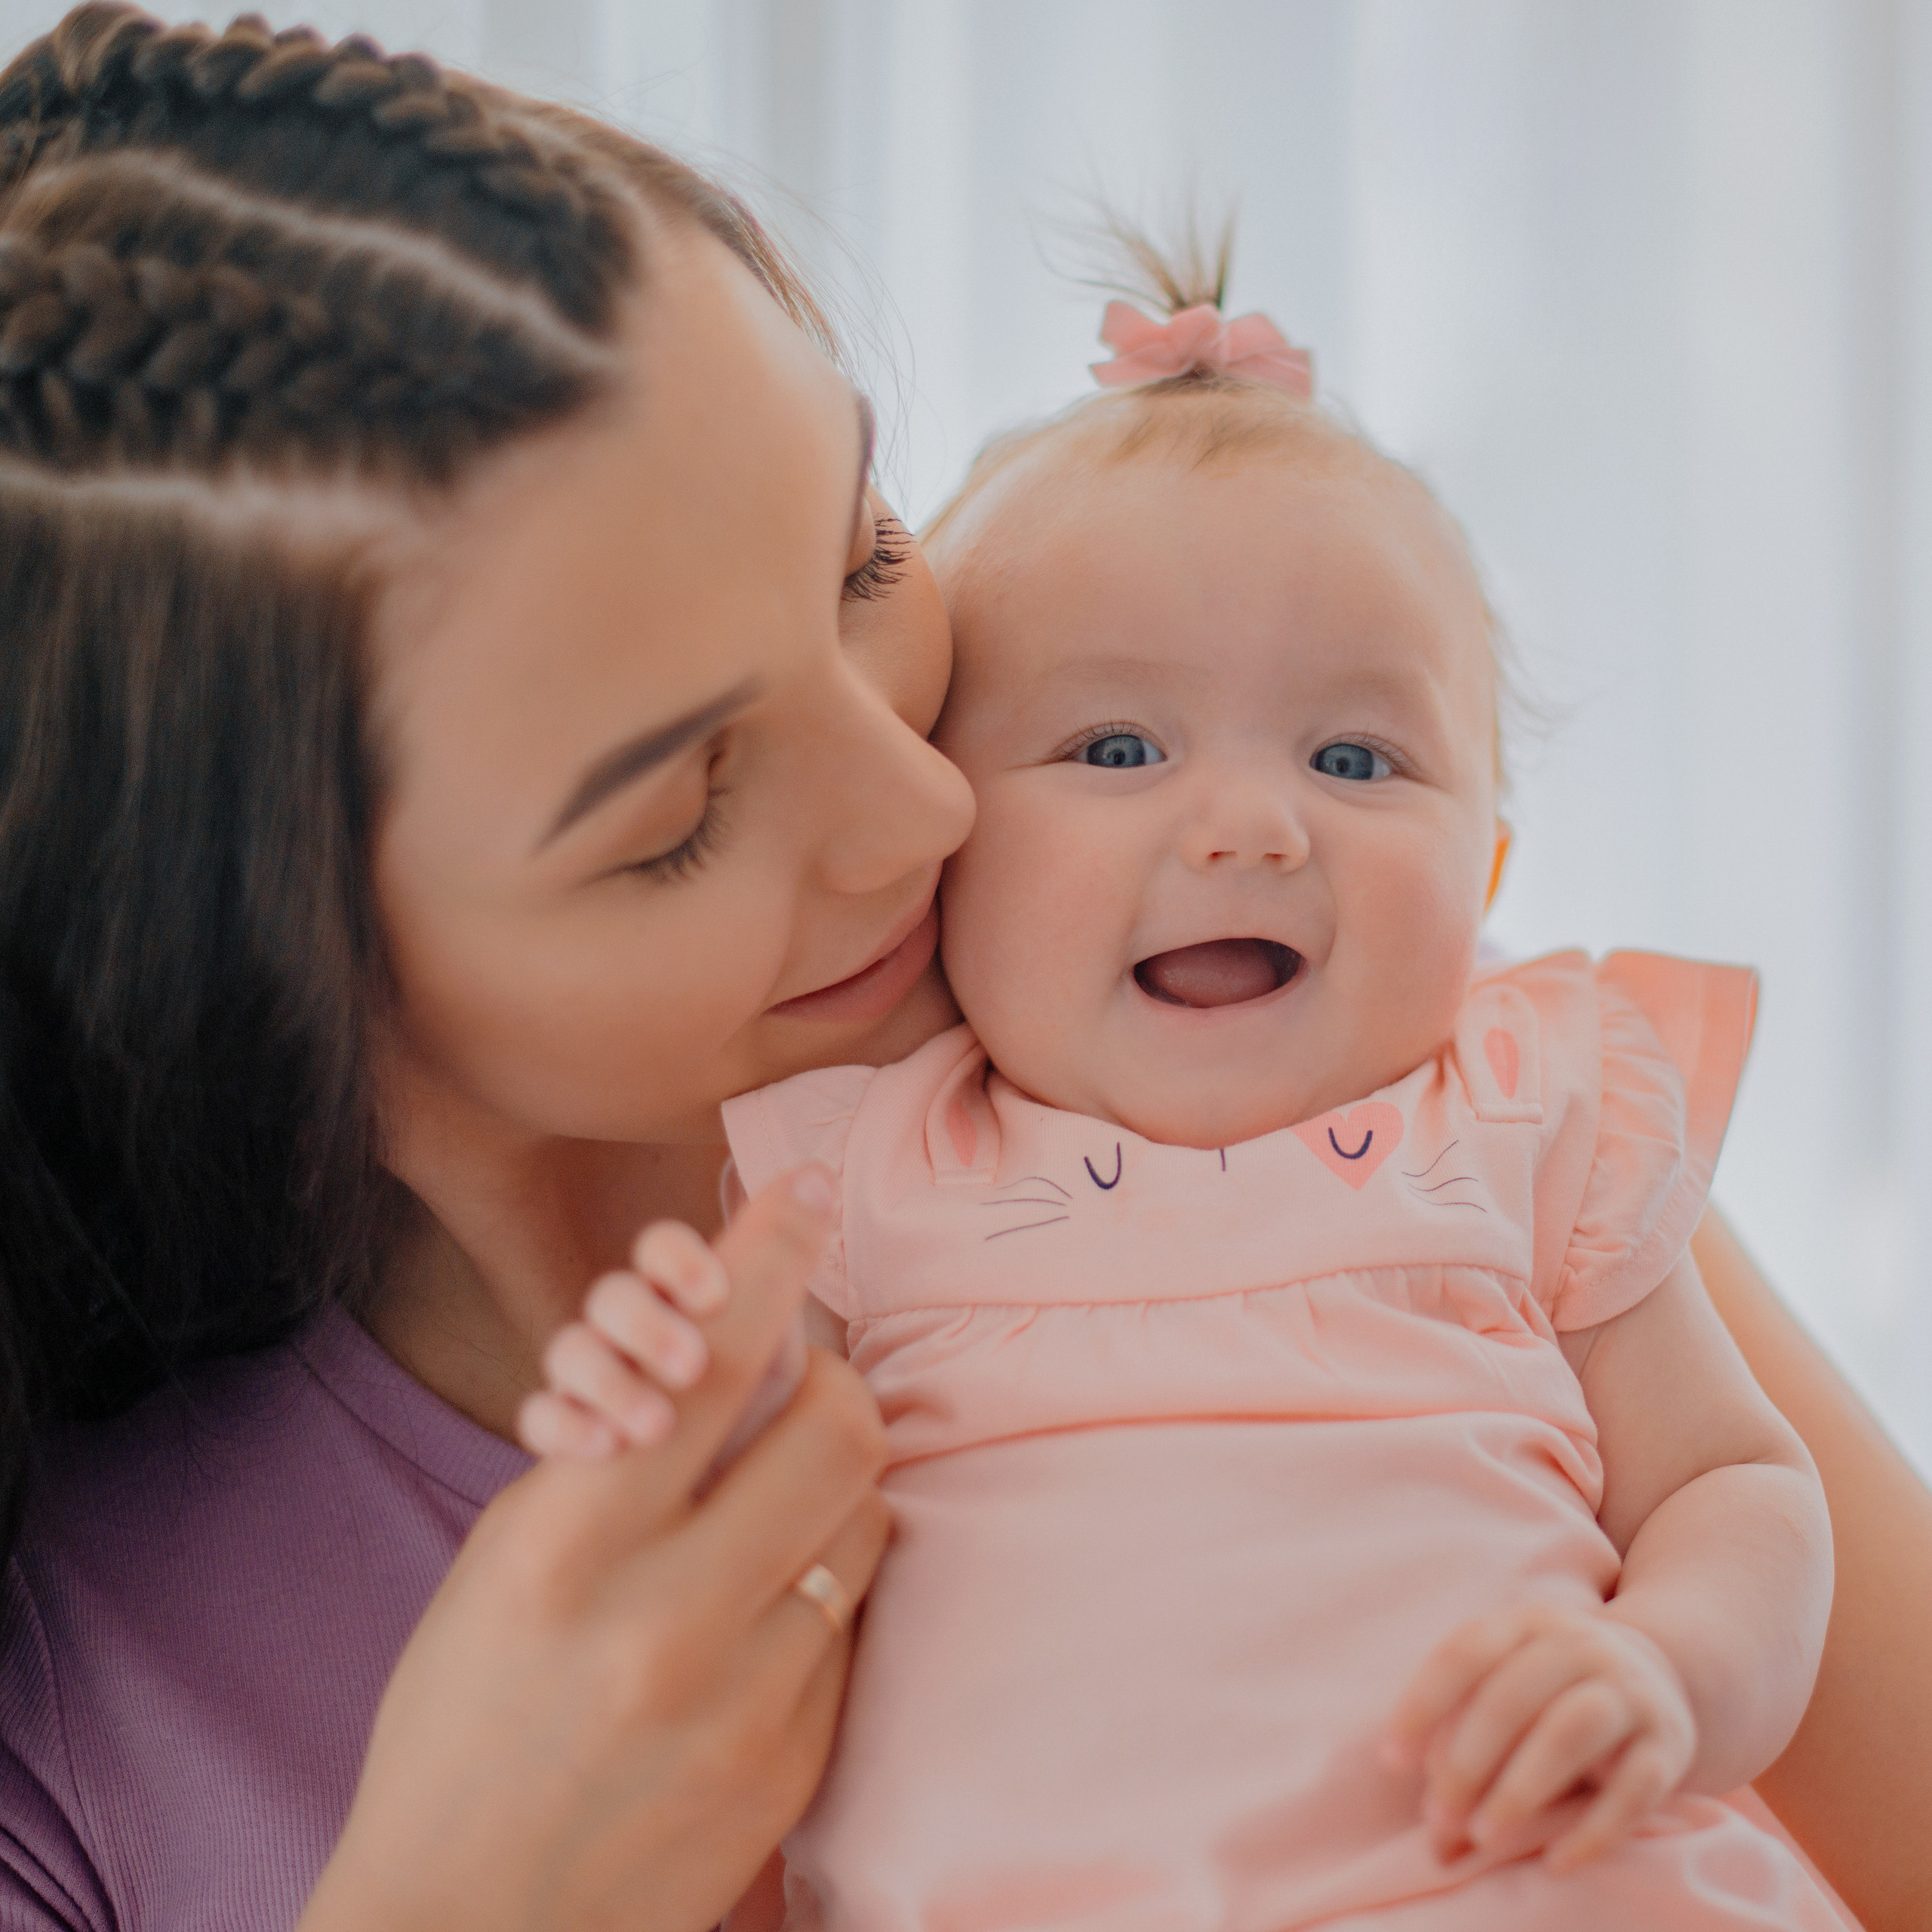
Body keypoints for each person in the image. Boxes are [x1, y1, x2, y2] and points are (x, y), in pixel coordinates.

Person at [0, 6, 1921, 1930]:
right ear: (259, 1007)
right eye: (676, 805)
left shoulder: (1356, 1054)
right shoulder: (88, 1710)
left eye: (862, 558)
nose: (924, 800)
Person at [533, 270, 1847, 1928]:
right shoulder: (865, 1165)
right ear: (950, 839)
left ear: (1488, 866)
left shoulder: (1522, 1114)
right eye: (1115, 748)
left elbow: (1739, 1485)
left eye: (1354, 761)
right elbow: (728, 1572)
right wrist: (651, 1402)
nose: (1249, 827)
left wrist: (1665, 1666)